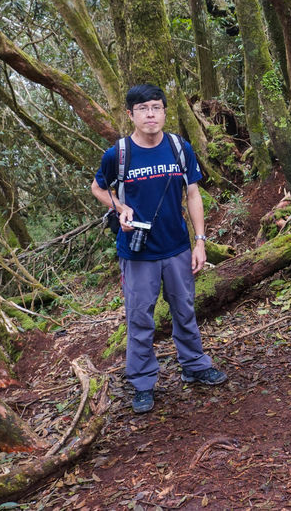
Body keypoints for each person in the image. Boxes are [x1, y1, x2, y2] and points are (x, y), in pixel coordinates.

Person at [91, 84, 227, 413]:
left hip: (178, 246)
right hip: (137, 253)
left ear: (165, 111)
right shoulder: (119, 154)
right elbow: (98, 187)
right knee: (140, 318)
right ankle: (142, 382)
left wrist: (200, 241)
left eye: (156, 107)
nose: (150, 114)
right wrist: (120, 208)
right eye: (142, 109)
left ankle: (195, 366)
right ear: (130, 115)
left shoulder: (179, 147)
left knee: (185, 310)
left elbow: (192, 195)